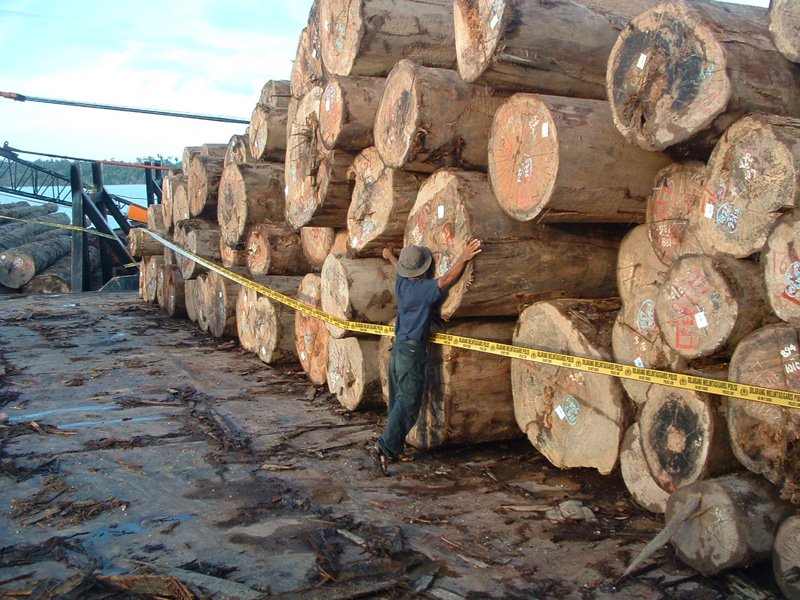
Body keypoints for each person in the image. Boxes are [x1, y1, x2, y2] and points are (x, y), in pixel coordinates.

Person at [373, 238, 482, 475]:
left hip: (398, 350)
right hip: (411, 352)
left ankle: (395, 446)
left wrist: (389, 255)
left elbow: (397, 267)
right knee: (409, 402)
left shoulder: (401, 284)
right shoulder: (424, 291)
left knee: (397, 401)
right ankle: (385, 448)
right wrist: (463, 257)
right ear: (423, 270)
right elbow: (445, 280)